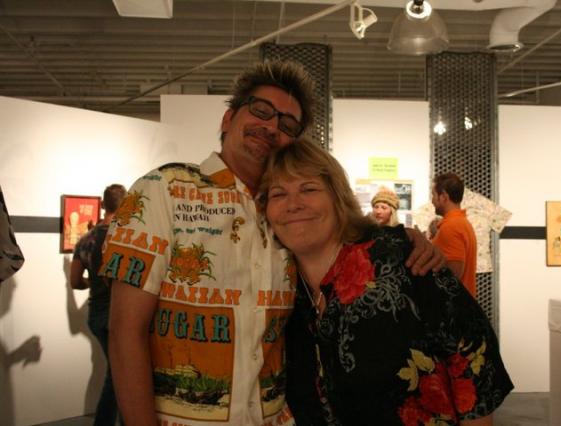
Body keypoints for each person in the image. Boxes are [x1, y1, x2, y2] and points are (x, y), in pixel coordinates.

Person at [100, 60, 443, 426]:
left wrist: (402, 238)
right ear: (228, 119)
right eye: (261, 110)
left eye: (287, 124)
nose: (271, 126)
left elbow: (344, 247)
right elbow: (125, 331)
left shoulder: (286, 214)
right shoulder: (165, 189)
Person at [259, 139, 513, 426]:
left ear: (337, 198)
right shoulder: (278, 287)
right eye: (278, 194)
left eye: (308, 189)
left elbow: (474, 350)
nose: (293, 204)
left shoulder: (400, 258)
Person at [70, 183, 127, 426]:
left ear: (103, 204)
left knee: (118, 373)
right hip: (121, 316)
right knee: (120, 375)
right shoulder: (126, 237)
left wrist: (92, 283)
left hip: (97, 315)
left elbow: (75, 282)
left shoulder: (86, 240)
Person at [430, 173, 478, 298]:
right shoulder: (461, 223)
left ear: (443, 197)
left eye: (433, 195)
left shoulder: (451, 227)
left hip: (453, 305)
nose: (432, 201)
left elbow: (452, 277)